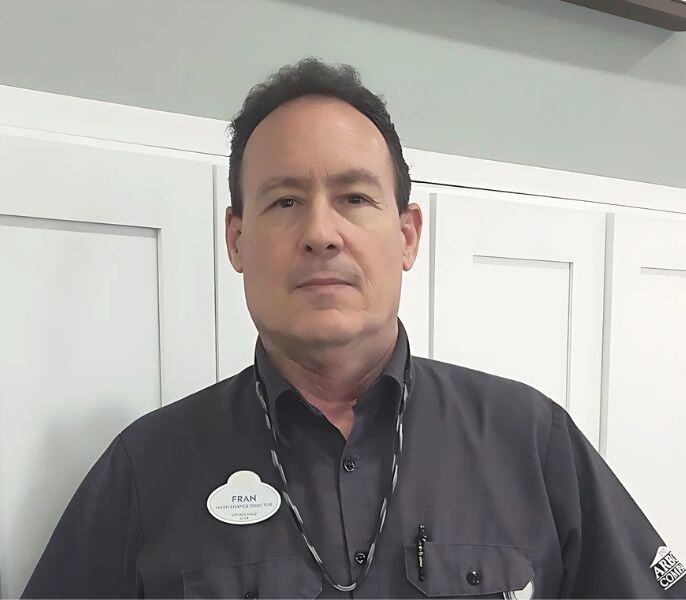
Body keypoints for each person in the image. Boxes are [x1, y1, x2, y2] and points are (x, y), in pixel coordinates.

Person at [22, 57, 684, 599]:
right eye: (285, 200)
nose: (320, 232)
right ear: (237, 239)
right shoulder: (144, 471)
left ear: (406, 235)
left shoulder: (532, 442)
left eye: (354, 198)